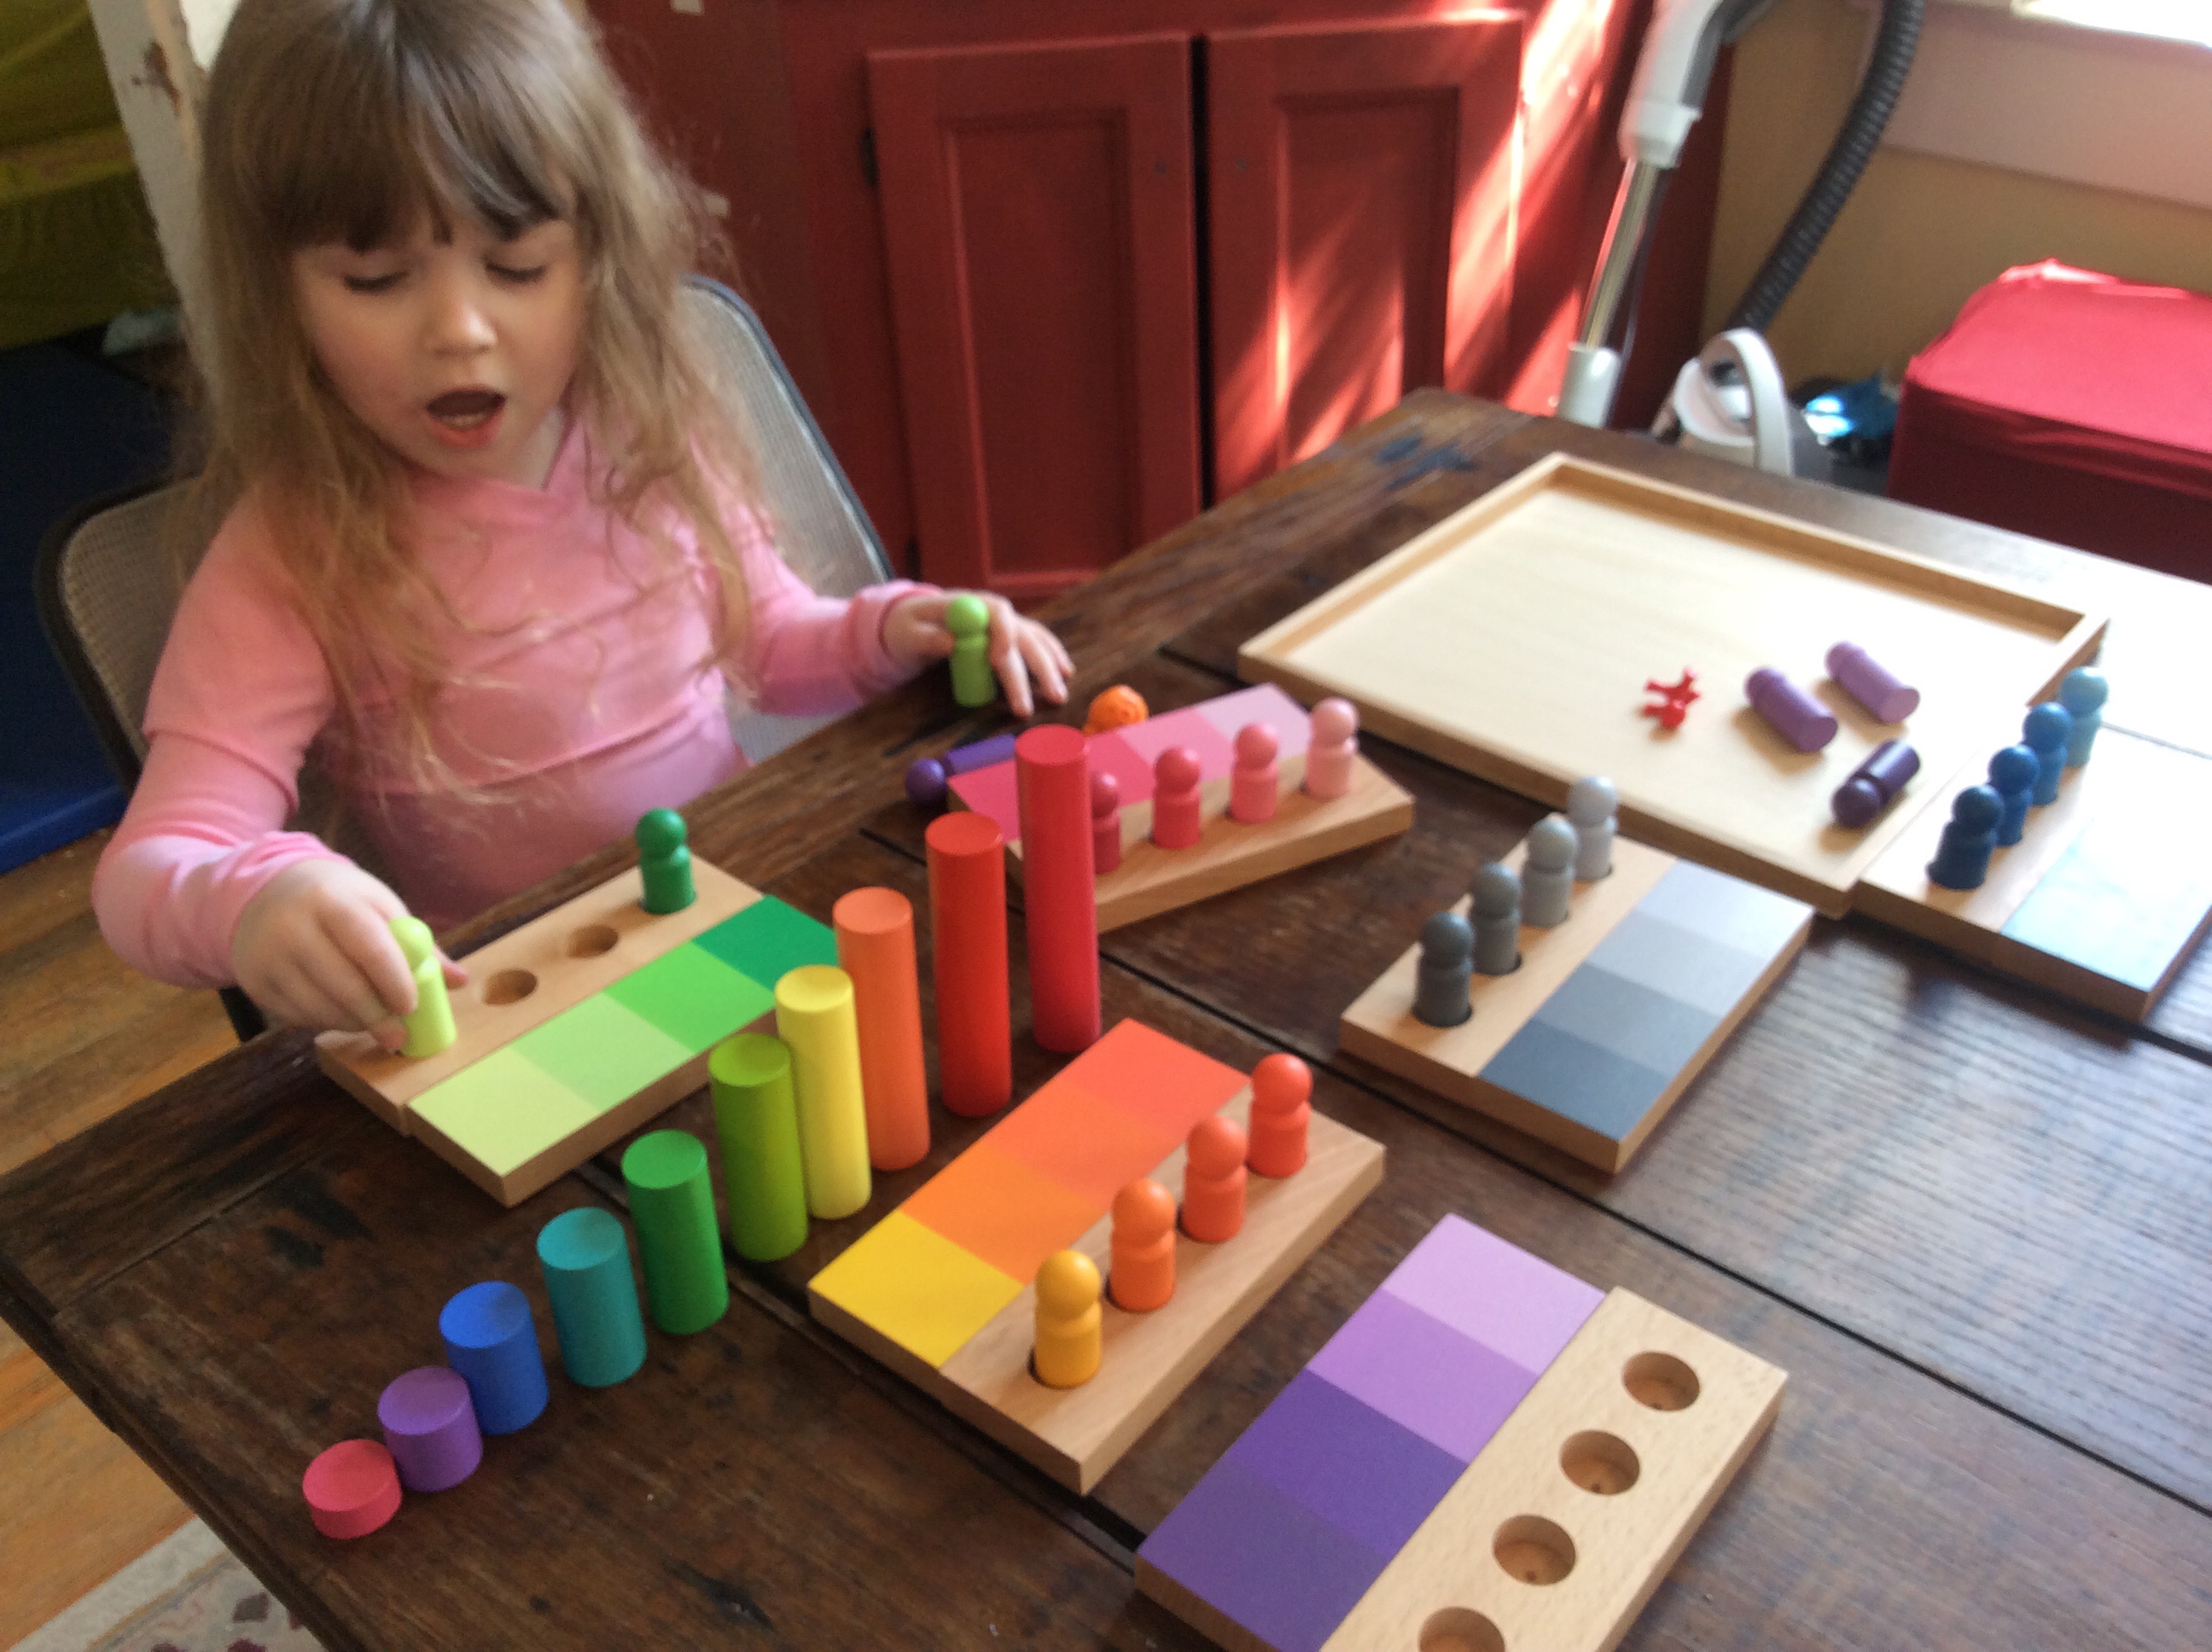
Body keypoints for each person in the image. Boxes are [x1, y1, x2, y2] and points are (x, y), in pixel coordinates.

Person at [91, 0, 1072, 1050]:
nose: (460, 330)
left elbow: (771, 644)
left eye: (517, 266)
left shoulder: (648, 434)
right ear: (277, 294)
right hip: (530, 1023)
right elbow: (149, 867)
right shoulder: (293, 553)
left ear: (596, 254)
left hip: (741, 927)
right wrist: (250, 898)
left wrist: (886, 633)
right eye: (377, 279)